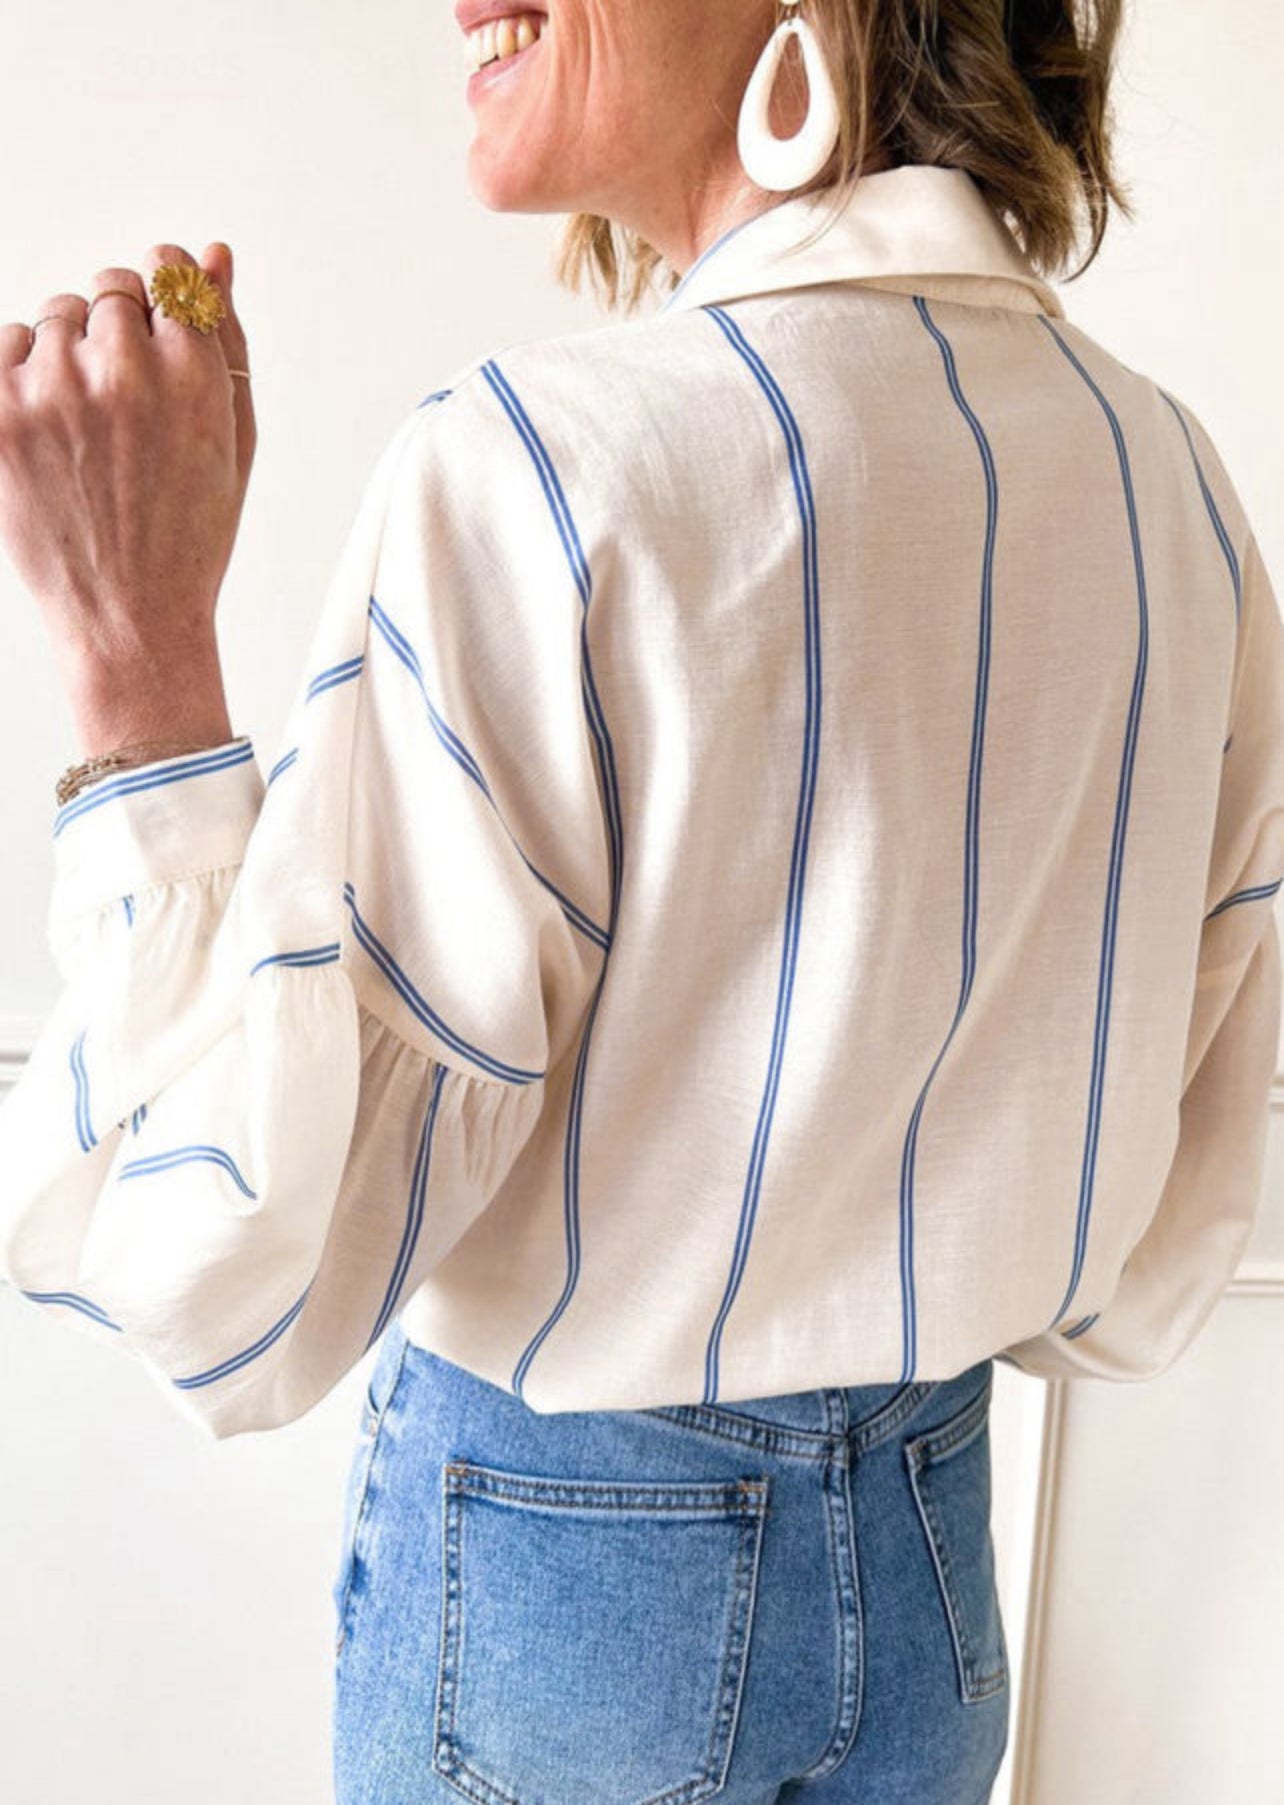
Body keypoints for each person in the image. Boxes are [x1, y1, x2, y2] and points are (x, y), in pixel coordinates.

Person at [1, 2, 1280, 1800]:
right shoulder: (1171, 483)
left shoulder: (547, 465)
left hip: (570, 1590)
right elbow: (1150, 1239)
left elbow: (232, 1290)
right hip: (932, 1570)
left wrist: (137, 683)